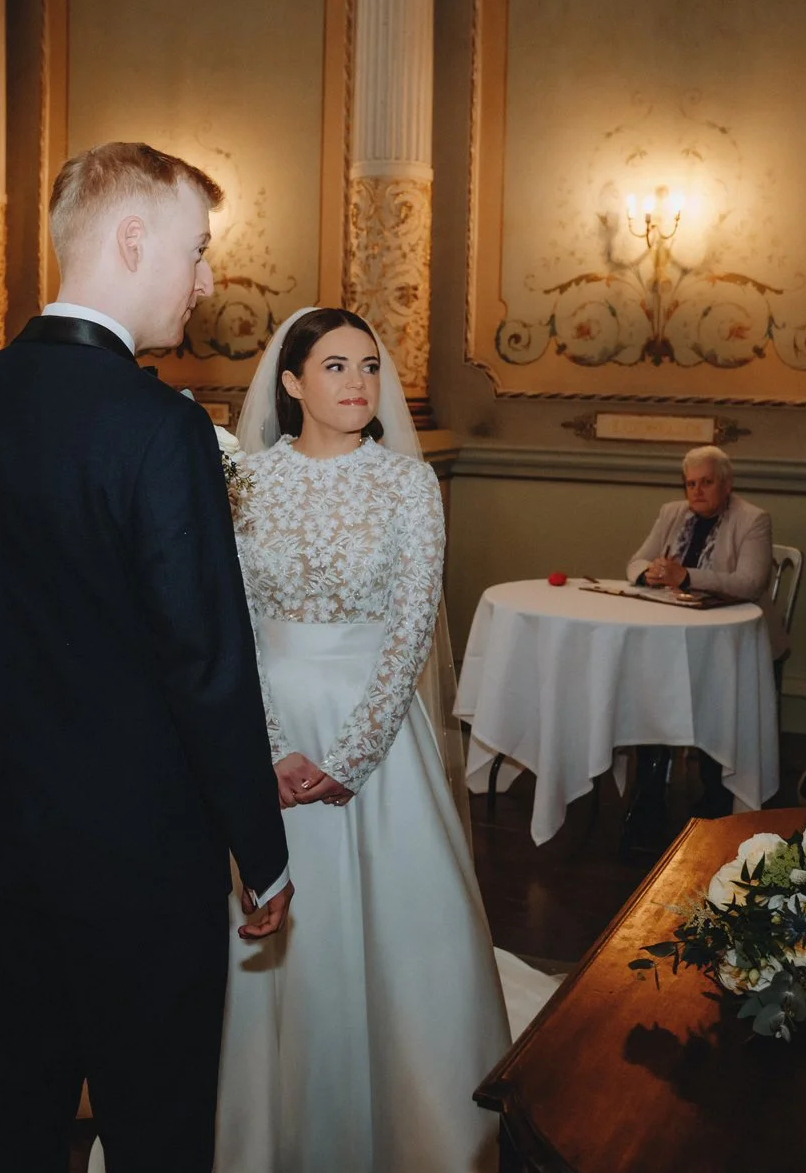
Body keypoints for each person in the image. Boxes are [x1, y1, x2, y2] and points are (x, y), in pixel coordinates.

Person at [0, 141, 291, 1172]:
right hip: (141, 852)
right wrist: (257, 850)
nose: (205, 280)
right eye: (196, 250)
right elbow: (203, 660)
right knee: (155, 1120)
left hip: (13, 834)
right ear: (132, 239)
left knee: (18, 1104)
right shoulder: (154, 427)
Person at [214, 307, 511, 1172]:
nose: (358, 383)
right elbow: (233, 624)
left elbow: (413, 626)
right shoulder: (247, 483)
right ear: (293, 383)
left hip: (375, 736)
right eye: (336, 366)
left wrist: (351, 756)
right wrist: (269, 745)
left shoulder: (407, 485)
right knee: (271, 923)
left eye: (370, 367)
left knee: (399, 937)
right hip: (266, 729)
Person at [621, 443, 782, 821]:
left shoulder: (753, 518)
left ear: (726, 484)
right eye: (690, 483)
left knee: (714, 688)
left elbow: (751, 582)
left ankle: (719, 790)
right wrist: (651, 573)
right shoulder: (672, 512)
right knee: (648, 680)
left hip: (735, 639)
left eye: (706, 482)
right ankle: (650, 782)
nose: (696, 491)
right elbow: (636, 561)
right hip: (675, 629)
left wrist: (687, 576)